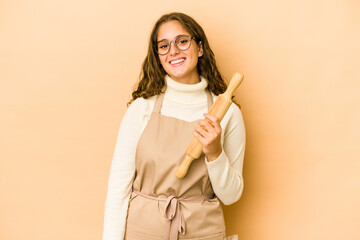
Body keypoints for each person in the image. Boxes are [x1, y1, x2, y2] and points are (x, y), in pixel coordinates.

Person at [102, 12, 245, 240]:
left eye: (182, 41)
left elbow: (231, 196)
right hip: (142, 232)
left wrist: (214, 153)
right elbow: (118, 189)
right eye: (164, 45)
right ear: (157, 56)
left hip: (202, 233)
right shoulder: (141, 109)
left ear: (199, 48)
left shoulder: (228, 114)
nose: (173, 51)